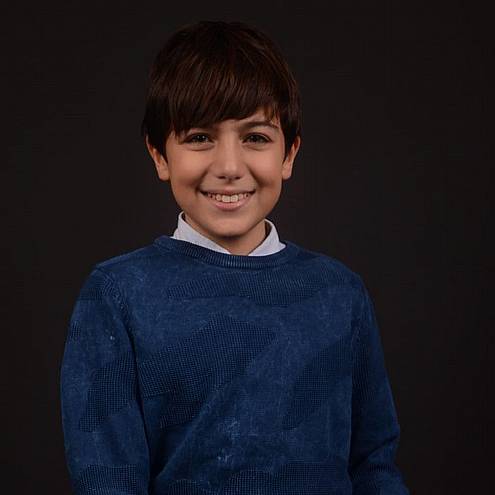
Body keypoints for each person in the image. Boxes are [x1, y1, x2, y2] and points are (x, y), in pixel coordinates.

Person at [60, 20, 410, 494]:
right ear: (160, 155)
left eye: (256, 138)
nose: (228, 167)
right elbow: (107, 480)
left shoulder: (339, 293)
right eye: (199, 137)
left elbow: (374, 466)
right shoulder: (119, 295)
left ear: (289, 154)